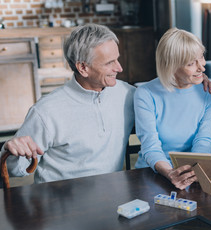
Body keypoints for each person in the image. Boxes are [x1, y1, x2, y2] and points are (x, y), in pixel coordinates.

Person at [1, 24, 135, 183]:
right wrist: (10, 149)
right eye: (109, 63)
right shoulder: (46, 111)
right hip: (60, 203)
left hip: (112, 197)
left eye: (117, 59)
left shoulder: (127, 94)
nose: (119, 68)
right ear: (83, 67)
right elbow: (13, 169)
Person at [134, 28, 211, 190]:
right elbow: (150, 146)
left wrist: (195, 170)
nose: (202, 67)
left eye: (201, 56)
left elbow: (204, 140)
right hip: (153, 172)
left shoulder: (209, 93)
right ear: (171, 66)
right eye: (191, 63)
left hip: (192, 171)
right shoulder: (145, 94)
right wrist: (170, 172)